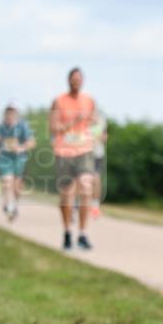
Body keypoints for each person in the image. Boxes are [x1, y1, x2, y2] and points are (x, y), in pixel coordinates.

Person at [51, 67, 97, 250]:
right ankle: (67, 231)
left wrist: (94, 129)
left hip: (84, 150)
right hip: (64, 152)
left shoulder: (89, 101)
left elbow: (94, 121)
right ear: (68, 80)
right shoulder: (59, 101)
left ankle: (83, 233)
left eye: (79, 79)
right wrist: (73, 122)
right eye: (74, 79)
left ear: (83, 81)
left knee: (86, 188)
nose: (76, 82)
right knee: (67, 195)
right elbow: (54, 128)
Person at [0, 102, 35, 221]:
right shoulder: (0, 125)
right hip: (4, 158)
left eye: (12, 112)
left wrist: (21, 148)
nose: (10, 114)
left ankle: (14, 204)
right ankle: (7, 203)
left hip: (19, 159)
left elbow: (31, 142)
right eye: (8, 111)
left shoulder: (23, 126)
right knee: (7, 180)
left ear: (16, 113)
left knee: (16, 187)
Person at [88, 110, 108, 219]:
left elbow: (105, 138)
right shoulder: (82, 119)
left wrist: (97, 138)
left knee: (95, 178)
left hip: (97, 154)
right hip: (83, 153)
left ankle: (95, 206)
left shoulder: (101, 120)